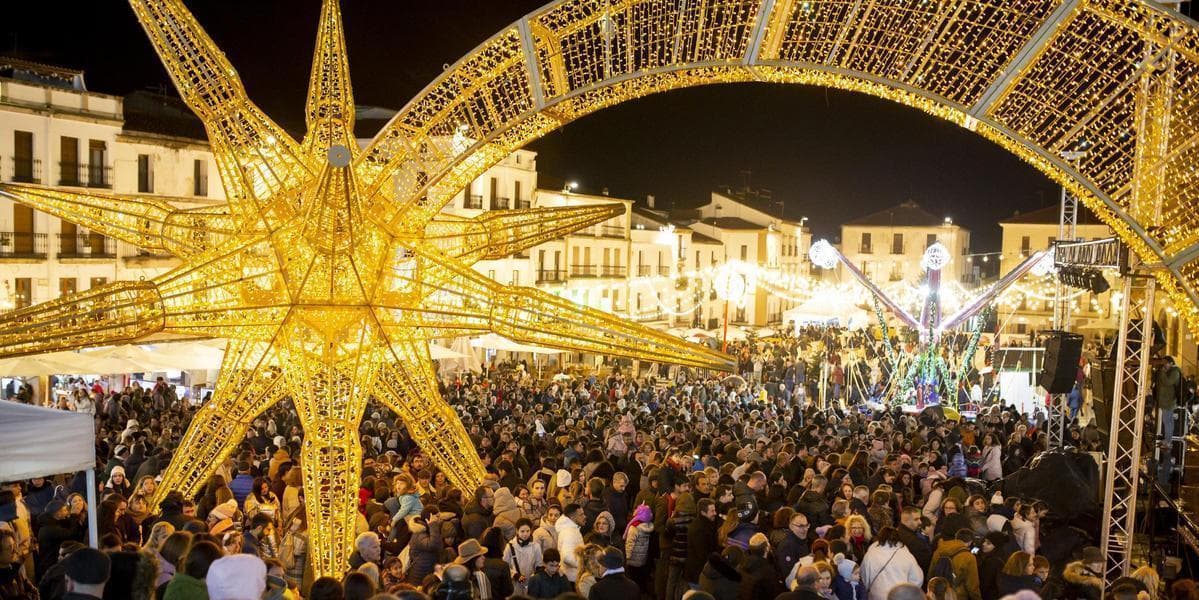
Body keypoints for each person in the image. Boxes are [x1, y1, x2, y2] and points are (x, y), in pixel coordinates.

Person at [860, 527, 923, 600]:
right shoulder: (906, 555)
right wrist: (906, 592)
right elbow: (917, 579)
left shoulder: (870, 555)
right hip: (899, 596)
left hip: (877, 596)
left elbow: (864, 577)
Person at [928, 529, 980, 600]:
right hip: (957, 596)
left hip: (937, 594)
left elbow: (931, 573)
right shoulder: (969, 557)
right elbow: (972, 585)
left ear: (956, 538)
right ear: (970, 542)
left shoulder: (939, 550)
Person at [503, 518, 543, 595]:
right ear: (517, 531)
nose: (525, 534)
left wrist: (534, 576)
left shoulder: (536, 546)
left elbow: (539, 564)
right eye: (522, 531)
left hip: (531, 582)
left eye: (528, 531)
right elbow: (505, 565)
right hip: (514, 583)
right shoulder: (510, 546)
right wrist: (515, 574)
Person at [557, 503, 586, 583]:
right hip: (571, 579)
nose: (585, 517)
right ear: (572, 517)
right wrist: (584, 565)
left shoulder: (572, 530)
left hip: (573, 577)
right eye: (581, 515)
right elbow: (567, 557)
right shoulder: (569, 533)